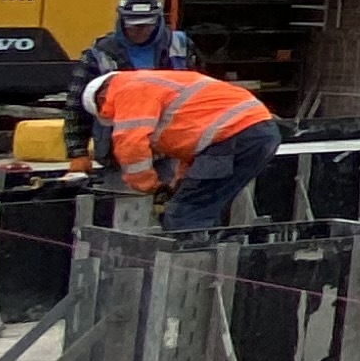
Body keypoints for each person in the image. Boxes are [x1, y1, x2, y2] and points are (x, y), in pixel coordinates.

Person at [80, 66, 282, 235]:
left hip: (235, 137)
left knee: (183, 214)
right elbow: (195, 150)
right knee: (204, 206)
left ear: (102, 98)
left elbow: (130, 145)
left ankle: (190, 274)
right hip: (258, 133)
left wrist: (150, 186)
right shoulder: (158, 84)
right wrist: (177, 186)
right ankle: (211, 261)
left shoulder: (128, 89)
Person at [72, 0, 196, 89]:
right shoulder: (100, 52)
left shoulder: (180, 45)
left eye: (147, 25)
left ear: (158, 22)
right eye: (132, 25)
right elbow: (77, 106)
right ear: (121, 22)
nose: (140, 30)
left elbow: (198, 88)